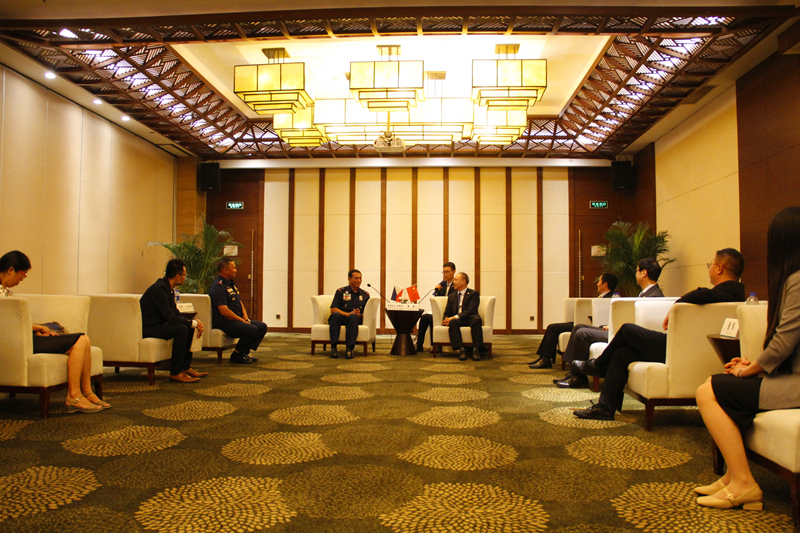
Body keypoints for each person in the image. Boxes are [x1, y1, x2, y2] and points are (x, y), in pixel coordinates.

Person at [695, 208, 800, 511]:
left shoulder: (797, 280)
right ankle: (732, 476)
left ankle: (744, 484)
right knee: (717, 384)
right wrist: (751, 365)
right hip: (791, 377)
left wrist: (749, 369)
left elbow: (784, 341)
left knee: (708, 391)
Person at [572, 248, 746, 421]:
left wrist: (676, 306)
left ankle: (599, 365)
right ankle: (605, 408)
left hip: (677, 350)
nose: (709, 268)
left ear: (719, 268)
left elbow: (701, 293)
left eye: (710, 265)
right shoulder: (736, 297)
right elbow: (704, 294)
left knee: (627, 330)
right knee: (621, 354)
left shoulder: (723, 294)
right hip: (685, 350)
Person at [0, 250, 107, 413]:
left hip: (26, 339)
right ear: (10, 270)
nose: (21, 280)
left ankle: (86, 392)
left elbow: (17, 323)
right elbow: (9, 325)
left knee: (84, 340)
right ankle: (74, 396)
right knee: (80, 340)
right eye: (22, 275)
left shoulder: (5, 291)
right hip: (18, 345)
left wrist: (37, 331)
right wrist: (39, 328)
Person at [556, 259, 664, 388]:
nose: (635, 274)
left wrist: (614, 327)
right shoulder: (647, 293)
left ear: (644, 273)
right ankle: (573, 372)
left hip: (625, 336)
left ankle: (578, 377)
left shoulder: (654, 297)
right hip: (621, 330)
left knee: (582, 333)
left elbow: (642, 324)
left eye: (637, 270)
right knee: (579, 326)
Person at [529, 273, 617, 369]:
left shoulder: (612, 299)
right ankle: (544, 357)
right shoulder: (601, 297)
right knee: (552, 327)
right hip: (583, 322)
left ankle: (546, 359)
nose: (597, 284)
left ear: (605, 284)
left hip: (590, 325)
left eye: (599, 281)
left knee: (553, 328)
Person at [140, 259, 206, 383]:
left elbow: (175, 313)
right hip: (149, 328)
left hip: (159, 325)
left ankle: (185, 367)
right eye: (185, 275)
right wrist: (192, 323)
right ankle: (176, 372)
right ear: (177, 276)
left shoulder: (168, 288)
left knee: (188, 327)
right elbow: (170, 317)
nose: (185, 278)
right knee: (181, 329)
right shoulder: (159, 289)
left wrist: (193, 323)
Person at [208, 257, 268, 365]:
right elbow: (224, 311)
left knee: (262, 326)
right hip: (224, 322)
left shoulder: (231, 284)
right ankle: (237, 354)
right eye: (234, 268)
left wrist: (245, 317)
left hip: (236, 320)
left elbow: (239, 302)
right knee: (251, 329)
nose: (236, 270)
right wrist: (241, 321)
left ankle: (243, 353)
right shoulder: (218, 287)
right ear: (225, 270)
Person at [442, 272, 486, 361]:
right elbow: (447, 312)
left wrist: (455, 317)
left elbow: (471, 310)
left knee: (477, 319)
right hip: (458, 320)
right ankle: (461, 350)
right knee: (453, 322)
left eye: (456, 280)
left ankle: (476, 350)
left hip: (470, 318)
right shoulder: (452, 296)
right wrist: (446, 319)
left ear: (463, 281)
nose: (454, 282)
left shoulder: (474, 294)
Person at [415, 262, 456, 352]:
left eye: (447, 272)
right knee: (424, 317)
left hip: (450, 312)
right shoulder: (442, 285)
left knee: (432, 319)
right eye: (444, 272)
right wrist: (437, 291)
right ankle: (419, 345)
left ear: (454, 272)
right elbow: (438, 300)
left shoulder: (456, 285)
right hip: (440, 311)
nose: (445, 274)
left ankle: (435, 345)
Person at [329, 269, 370, 359]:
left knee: (353, 317)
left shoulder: (365, 295)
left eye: (360, 278)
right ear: (349, 279)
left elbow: (367, 313)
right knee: (335, 315)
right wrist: (347, 314)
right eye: (356, 278)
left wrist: (360, 314)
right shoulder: (341, 291)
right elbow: (333, 309)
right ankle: (333, 348)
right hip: (341, 317)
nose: (359, 280)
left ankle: (349, 349)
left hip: (354, 320)